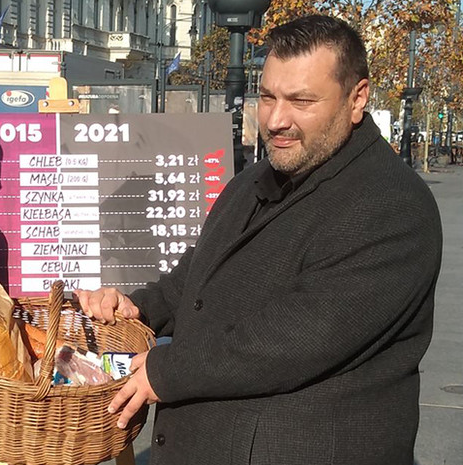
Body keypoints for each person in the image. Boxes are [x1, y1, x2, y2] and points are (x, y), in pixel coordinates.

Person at [76, 15, 443, 465]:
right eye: (267, 97)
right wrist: (139, 308)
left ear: (357, 98)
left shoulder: (391, 204)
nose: (276, 120)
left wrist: (166, 372)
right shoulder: (251, 182)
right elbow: (193, 280)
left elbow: (296, 338)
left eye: (301, 100)